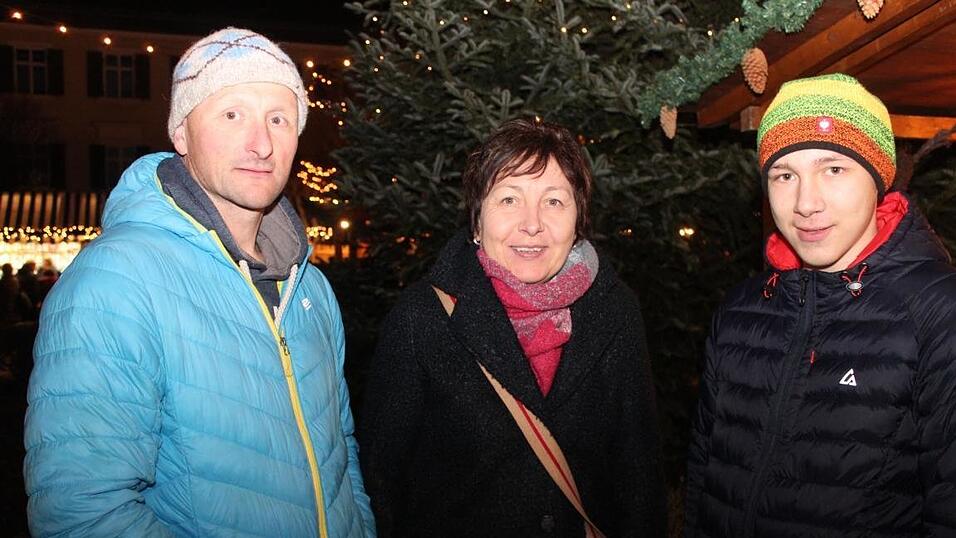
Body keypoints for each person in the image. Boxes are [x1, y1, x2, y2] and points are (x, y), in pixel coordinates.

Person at [24, 27, 375, 537]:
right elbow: (83, 513)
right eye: (231, 114)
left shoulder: (311, 291)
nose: (260, 144)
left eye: (278, 118)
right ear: (181, 133)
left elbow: (341, 454)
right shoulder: (116, 282)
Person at [359, 118, 665, 537]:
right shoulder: (422, 318)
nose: (532, 224)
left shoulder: (616, 312)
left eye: (554, 201)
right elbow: (380, 480)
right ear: (477, 220)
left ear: (579, 220)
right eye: (508, 200)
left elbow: (639, 475)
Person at [684, 74, 956, 537]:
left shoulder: (936, 311)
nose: (806, 203)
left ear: (878, 182)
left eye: (833, 169)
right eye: (785, 175)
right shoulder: (741, 311)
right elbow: (703, 476)